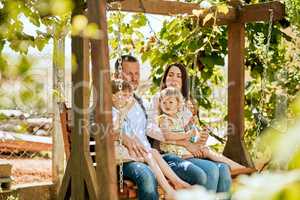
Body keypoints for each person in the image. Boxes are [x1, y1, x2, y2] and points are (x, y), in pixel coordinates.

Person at [149, 63, 232, 192]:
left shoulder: (186, 103)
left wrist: (201, 137)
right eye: (170, 75)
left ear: (183, 81)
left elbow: (192, 132)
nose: (174, 79)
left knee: (223, 168)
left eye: (179, 76)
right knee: (212, 170)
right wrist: (183, 141)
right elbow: (151, 128)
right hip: (170, 152)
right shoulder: (159, 99)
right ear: (165, 79)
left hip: (189, 151)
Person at [111, 79, 190, 198]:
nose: (128, 99)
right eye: (123, 95)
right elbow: (114, 129)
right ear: (113, 97)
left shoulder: (124, 112)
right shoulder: (112, 112)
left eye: (129, 95)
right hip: (121, 156)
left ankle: (176, 182)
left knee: (153, 152)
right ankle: (170, 189)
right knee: (149, 155)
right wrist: (124, 111)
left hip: (129, 152)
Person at [157, 87, 248, 171]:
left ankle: (240, 168)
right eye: (164, 102)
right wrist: (187, 136)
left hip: (187, 150)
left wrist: (202, 137)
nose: (167, 105)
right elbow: (168, 136)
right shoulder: (165, 119)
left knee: (209, 153)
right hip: (177, 152)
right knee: (207, 155)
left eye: (170, 102)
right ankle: (240, 169)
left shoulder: (183, 121)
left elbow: (192, 140)